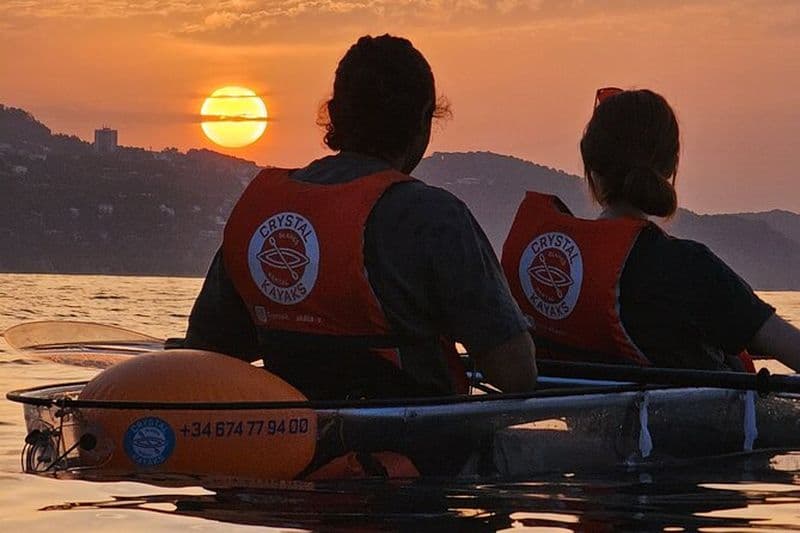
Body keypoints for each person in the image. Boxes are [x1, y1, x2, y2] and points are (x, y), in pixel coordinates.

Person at [184, 34, 537, 400]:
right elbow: (516, 374)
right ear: (423, 121)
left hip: (289, 433)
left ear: (334, 115)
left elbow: (205, 353)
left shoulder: (260, 210)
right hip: (418, 434)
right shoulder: (435, 219)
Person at [502, 88, 800, 372]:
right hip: (693, 410)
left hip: (581, 408)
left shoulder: (538, 270)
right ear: (670, 168)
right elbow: (790, 347)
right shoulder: (690, 269)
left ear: (591, 168)